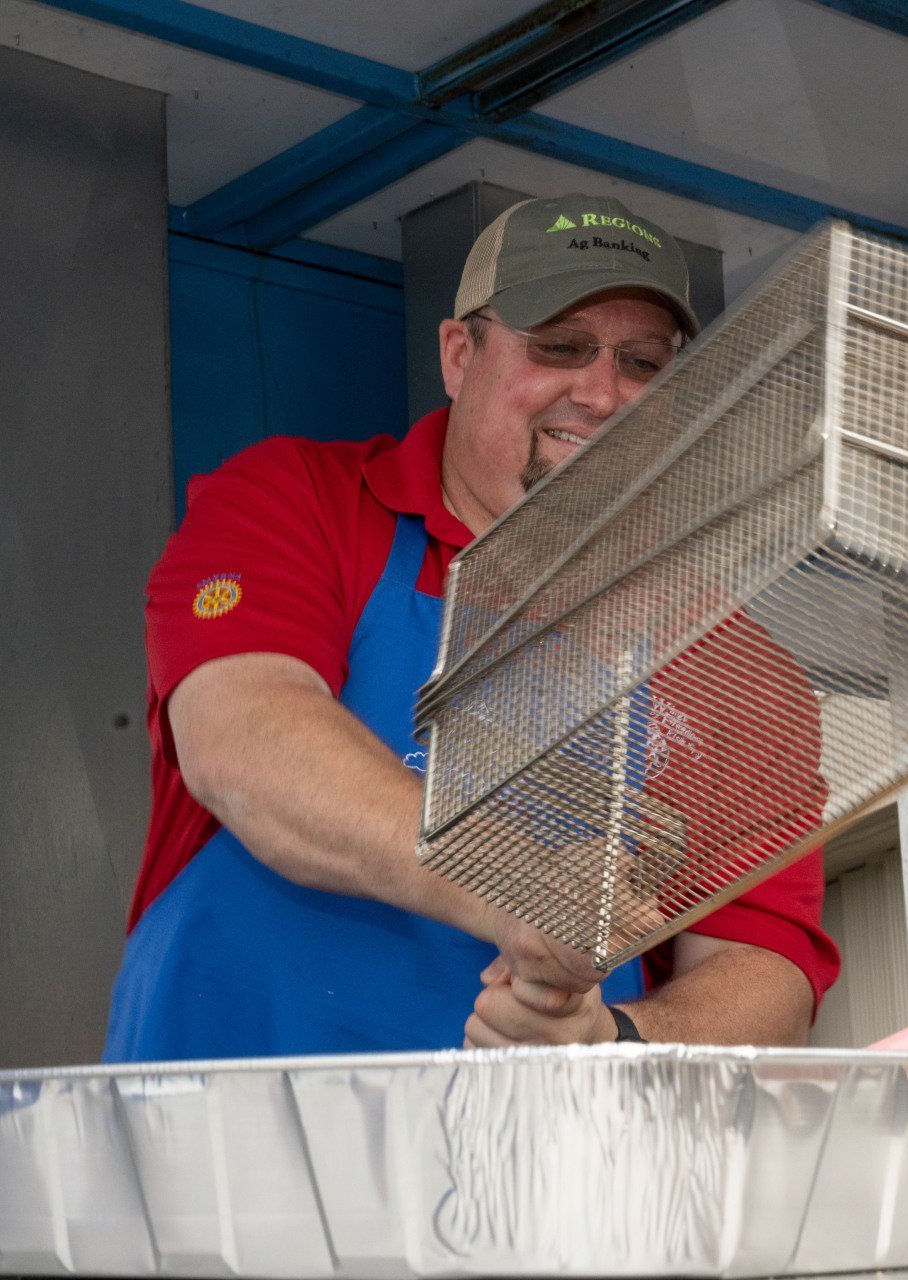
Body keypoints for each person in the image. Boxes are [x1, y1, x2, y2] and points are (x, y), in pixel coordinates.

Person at [104, 193, 839, 1062]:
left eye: (645, 364)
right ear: (460, 354)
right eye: (559, 347)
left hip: (541, 1179)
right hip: (225, 1158)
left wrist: (613, 1037)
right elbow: (242, 740)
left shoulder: (731, 661)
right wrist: (515, 888)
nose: (603, 393)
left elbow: (767, 972)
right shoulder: (298, 502)